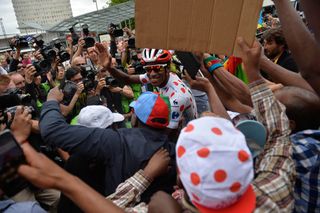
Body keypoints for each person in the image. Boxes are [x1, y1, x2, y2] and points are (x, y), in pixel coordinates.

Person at [39, 88, 176, 201]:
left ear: (135, 116)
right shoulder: (176, 152)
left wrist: (52, 100)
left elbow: (52, 130)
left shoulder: (116, 140)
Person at [94, 43, 198, 131]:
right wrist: (109, 68)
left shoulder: (178, 96)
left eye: (157, 68)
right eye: (148, 69)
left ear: (168, 69)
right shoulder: (162, 76)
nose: (152, 74)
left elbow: (167, 133)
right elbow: (128, 79)